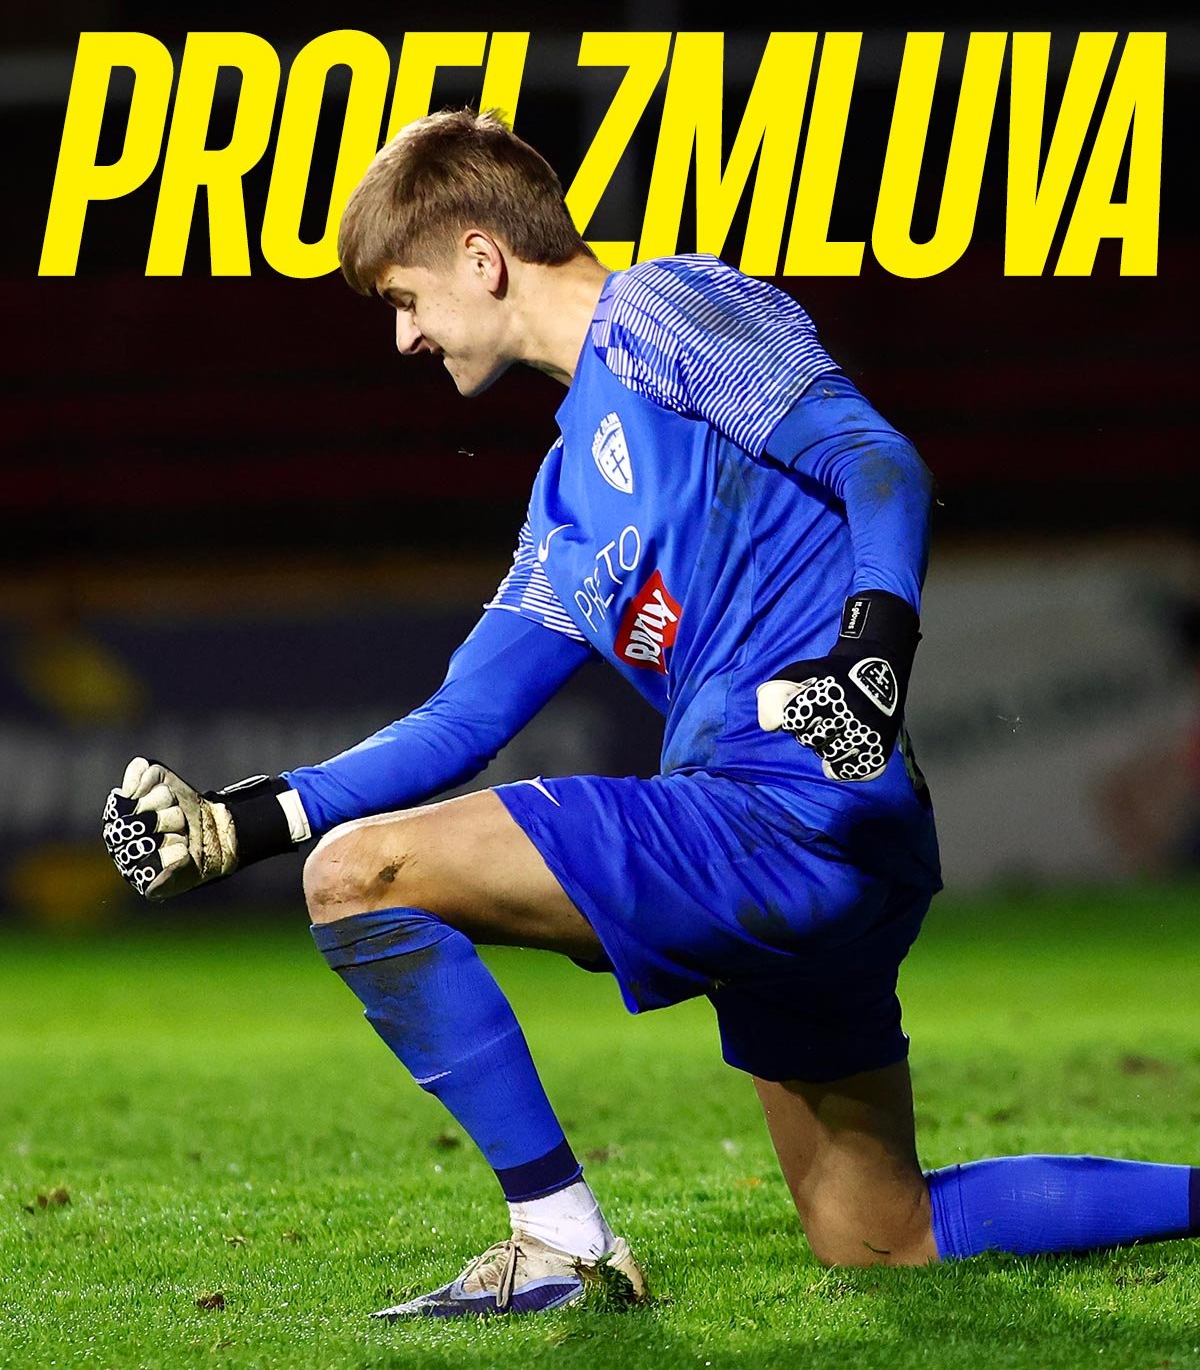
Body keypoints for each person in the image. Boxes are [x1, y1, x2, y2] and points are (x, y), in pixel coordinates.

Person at [101, 109, 1199, 1320]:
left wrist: (873, 646)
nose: (404, 336)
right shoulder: (564, 506)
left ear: (482, 256)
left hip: (785, 806)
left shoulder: (661, 312)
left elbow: (876, 459)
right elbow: (465, 718)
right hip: (817, 845)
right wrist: (243, 822)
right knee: (883, 1235)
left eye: (405, 298)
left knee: (359, 878)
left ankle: (558, 1245)